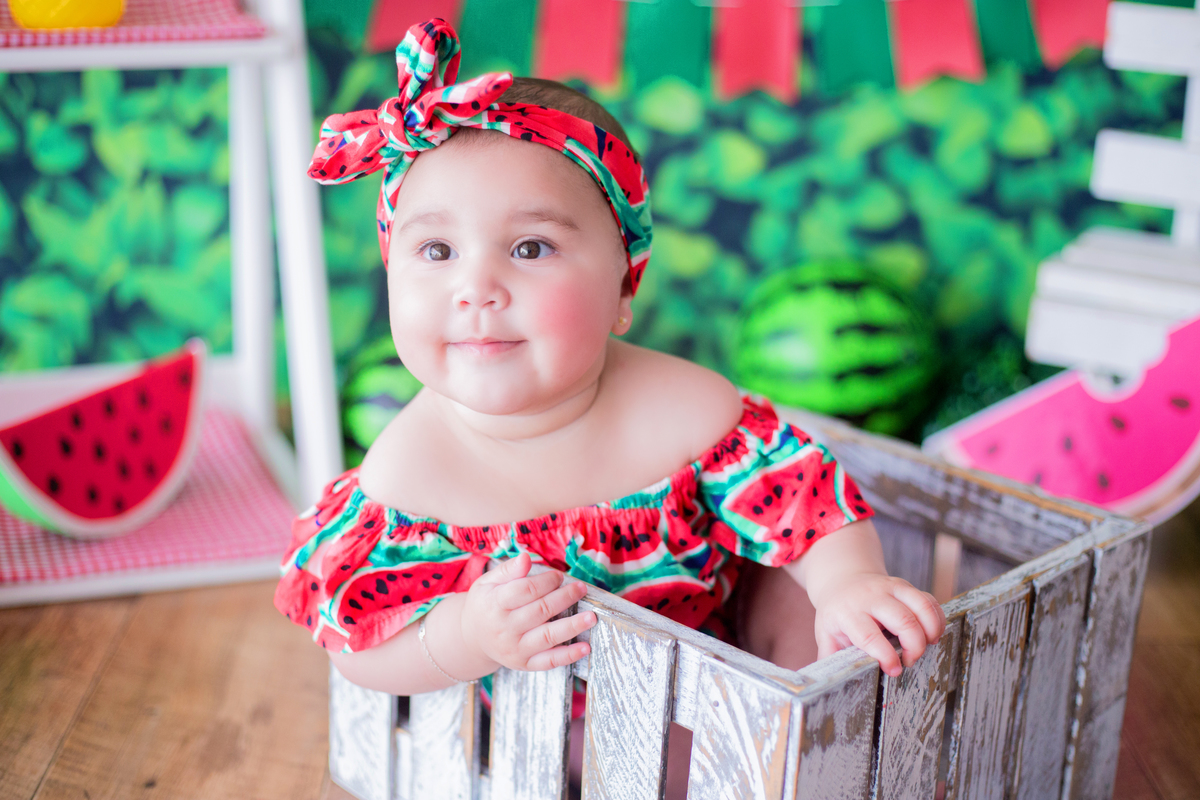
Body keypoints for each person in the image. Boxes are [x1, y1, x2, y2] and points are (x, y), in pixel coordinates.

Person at [275, 16, 945, 792]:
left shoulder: (688, 411)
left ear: (624, 286)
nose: (477, 288)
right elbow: (358, 645)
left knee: (812, 613)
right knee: (584, 751)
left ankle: (812, 762)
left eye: (530, 249)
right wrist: (465, 635)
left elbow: (805, 498)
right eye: (436, 251)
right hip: (561, 710)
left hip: (728, 654)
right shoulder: (408, 476)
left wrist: (845, 584)